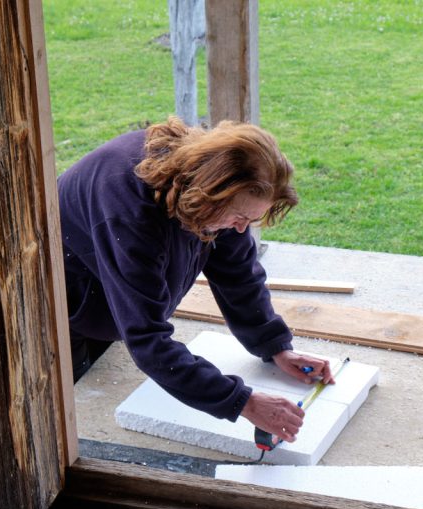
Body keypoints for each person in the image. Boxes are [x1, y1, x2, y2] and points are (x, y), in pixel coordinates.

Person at [57, 116, 335, 443]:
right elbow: (148, 340)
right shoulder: (131, 215)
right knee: (69, 410)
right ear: (208, 195)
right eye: (240, 217)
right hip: (58, 299)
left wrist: (275, 346)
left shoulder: (220, 198)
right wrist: (242, 401)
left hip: (105, 288)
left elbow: (238, 272)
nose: (243, 228)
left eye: (252, 220)